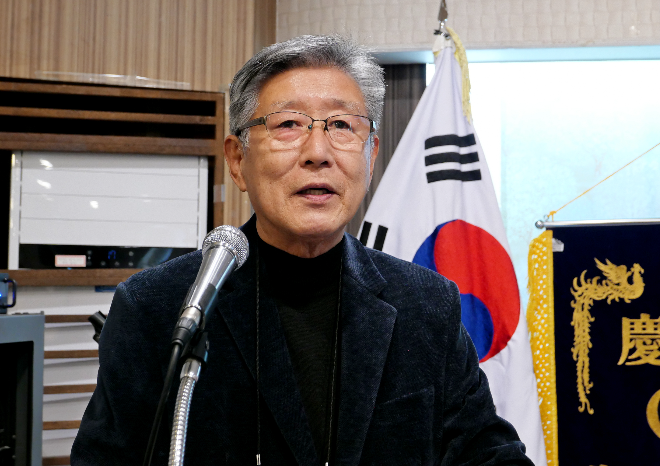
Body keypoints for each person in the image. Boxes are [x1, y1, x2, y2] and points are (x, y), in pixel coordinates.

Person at [71, 35, 534, 465]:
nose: (318, 152)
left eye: (342, 125)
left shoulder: (427, 304)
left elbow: (488, 454)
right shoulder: (158, 308)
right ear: (237, 160)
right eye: (289, 124)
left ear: (371, 155)